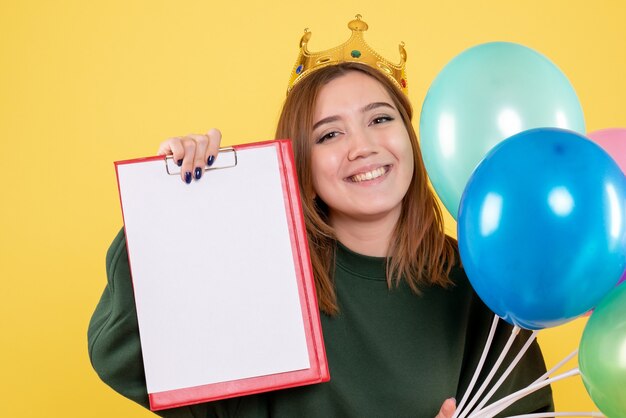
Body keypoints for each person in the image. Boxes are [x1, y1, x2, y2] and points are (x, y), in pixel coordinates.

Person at [88, 15, 554, 418]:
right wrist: (173, 207)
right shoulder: (263, 276)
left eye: (380, 119)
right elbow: (125, 353)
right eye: (330, 135)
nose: (363, 146)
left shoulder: (476, 280)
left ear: (411, 139)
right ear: (303, 168)